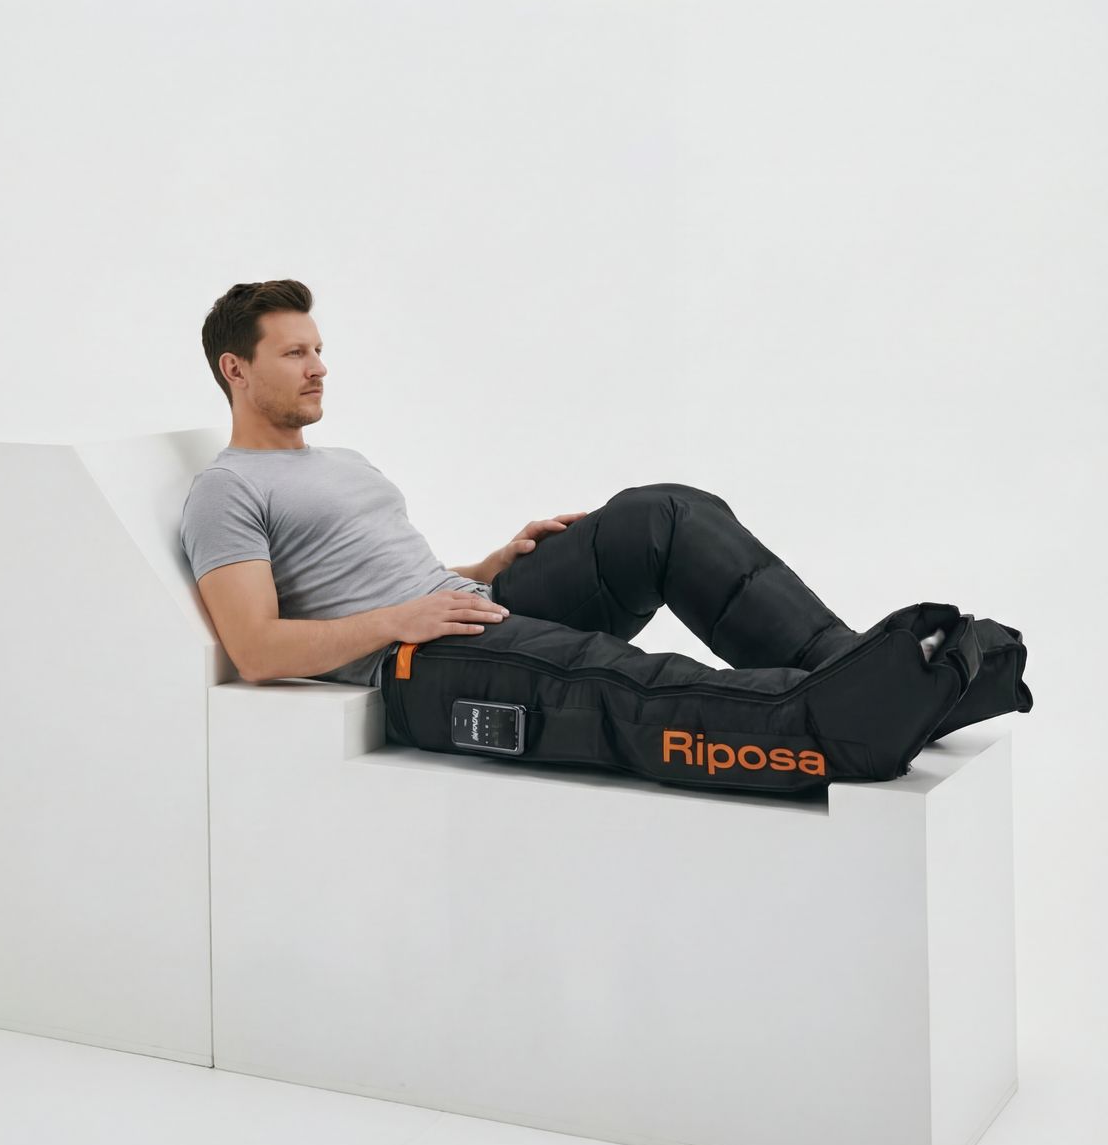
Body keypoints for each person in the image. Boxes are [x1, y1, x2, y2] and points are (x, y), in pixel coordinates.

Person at [180, 279, 1032, 797]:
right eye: (295, 353)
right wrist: (397, 622)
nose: (320, 366)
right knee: (620, 681)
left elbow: (390, 570)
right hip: (414, 666)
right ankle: (839, 721)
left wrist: (486, 564)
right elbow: (255, 648)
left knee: (662, 517)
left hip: (463, 604)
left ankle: (861, 668)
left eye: (319, 348)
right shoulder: (227, 489)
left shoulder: (342, 460)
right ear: (236, 369)